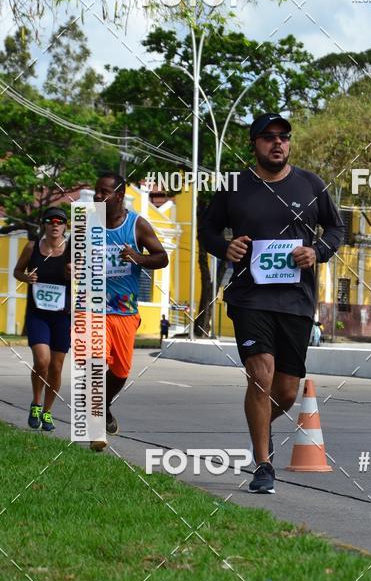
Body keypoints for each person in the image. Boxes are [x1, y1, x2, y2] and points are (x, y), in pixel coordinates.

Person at [202, 112, 344, 494]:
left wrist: (317, 251)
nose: (277, 143)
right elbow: (208, 231)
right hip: (249, 296)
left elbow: (336, 229)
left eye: (284, 136)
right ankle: (263, 463)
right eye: (268, 137)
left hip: (296, 300)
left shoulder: (311, 185)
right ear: (255, 144)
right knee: (260, 374)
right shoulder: (234, 187)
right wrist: (224, 247)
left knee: (284, 391)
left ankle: (258, 427)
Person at [90, 173, 168, 451]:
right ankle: (96, 426)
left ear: (119, 196)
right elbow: (71, 257)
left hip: (124, 311)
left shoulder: (137, 225)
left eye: (104, 192)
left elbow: (162, 257)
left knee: (120, 371)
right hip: (92, 306)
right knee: (96, 362)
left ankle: (105, 406)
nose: (98, 196)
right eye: (96, 191)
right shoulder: (88, 223)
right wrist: (70, 267)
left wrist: (138, 257)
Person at [13, 207, 71, 432]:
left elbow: (88, 277)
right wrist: (26, 277)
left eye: (60, 221)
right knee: (42, 361)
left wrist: (75, 272)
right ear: (44, 225)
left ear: (65, 225)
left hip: (62, 317)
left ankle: (47, 411)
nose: (55, 225)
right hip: (38, 314)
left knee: (56, 367)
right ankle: (36, 403)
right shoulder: (32, 247)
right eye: (50, 221)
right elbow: (17, 271)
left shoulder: (71, 251)